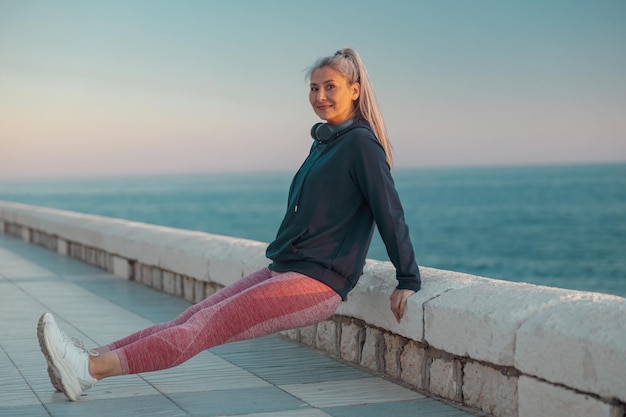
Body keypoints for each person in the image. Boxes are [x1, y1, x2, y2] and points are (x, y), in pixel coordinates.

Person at [37, 47, 422, 402]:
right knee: (190, 318)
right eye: (314, 88)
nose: (320, 96)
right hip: (287, 268)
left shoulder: (361, 145)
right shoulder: (326, 141)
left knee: (201, 329)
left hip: (316, 283)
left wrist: (407, 279)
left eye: (330, 87)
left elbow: (390, 211)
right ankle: (85, 358)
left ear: (355, 91)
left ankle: (88, 370)